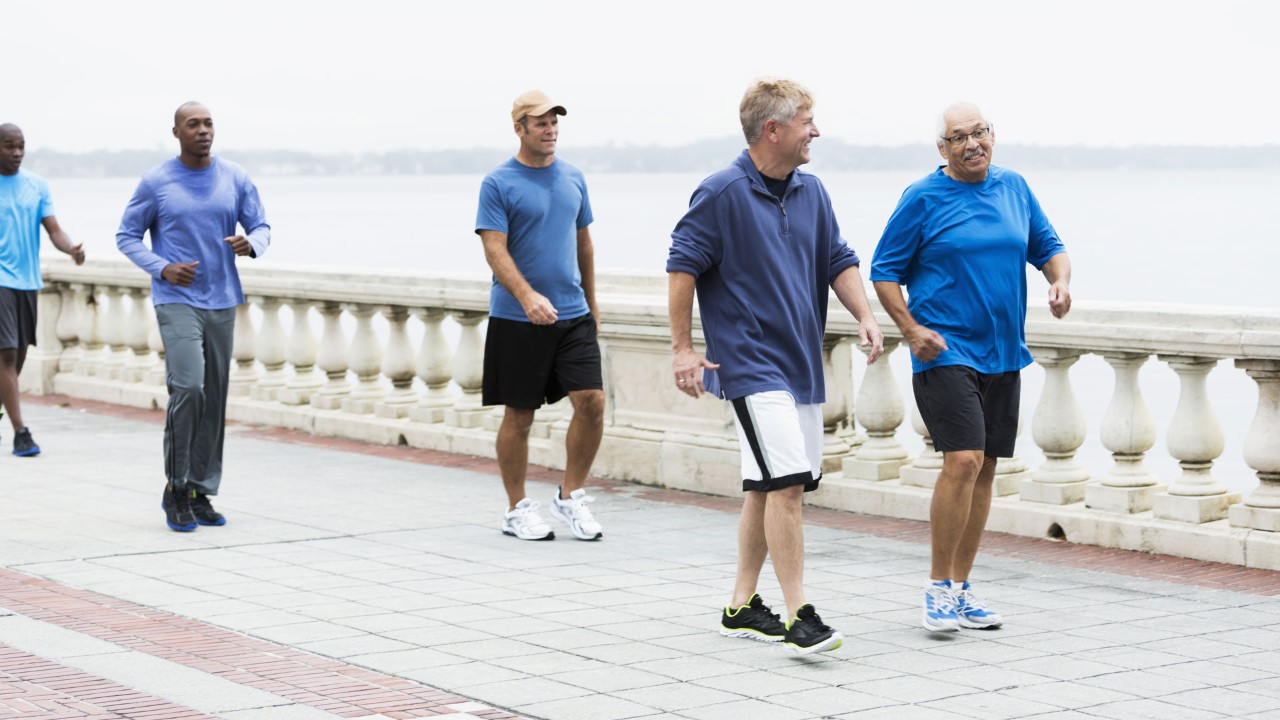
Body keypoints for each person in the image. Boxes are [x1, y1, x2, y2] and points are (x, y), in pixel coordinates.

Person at [667, 78, 885, 655]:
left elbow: (838, 258)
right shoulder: (720, 193)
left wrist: (863, 313)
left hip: (801, 367)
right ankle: (799, 615)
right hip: (748, 364)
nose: (817, 131)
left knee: (769, 487)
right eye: (808, 121)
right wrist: (683, 350)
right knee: (788, 483)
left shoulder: (812, 191)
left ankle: (740, 605)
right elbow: (681, 267)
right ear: (774, 129)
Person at [871, 102, 1071, 632]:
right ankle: (937, 589)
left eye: (979, 132)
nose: (971, 144)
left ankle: (961, 589)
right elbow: (884, 271)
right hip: (944, 348)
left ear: (993, 135)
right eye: (958, 137)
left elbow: (1049, 247)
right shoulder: (922, 197)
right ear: (943, 148)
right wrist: (911, 331)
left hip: (1003, 349)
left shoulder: (1014, 187)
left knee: (985, 468)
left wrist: (1059, 281)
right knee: (962, 459)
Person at [116, 102, 271, 532]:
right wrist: (162, 267)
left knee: (215, 396)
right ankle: (176, 487)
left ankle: (201, 490)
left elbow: (262, 226)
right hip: (176, 298)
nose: (203, 130)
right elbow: (127, 235)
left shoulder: (235, 177)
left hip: (222, 299)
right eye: (193, 124)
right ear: (177, 132)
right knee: (188, 386)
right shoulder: (157, 181)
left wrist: (251, 244)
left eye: (208, 123)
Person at [476, 90, 606, 542]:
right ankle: (516, 509)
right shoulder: (499, 183)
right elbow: (494, 247)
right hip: (518, 316)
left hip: (573, 314)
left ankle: (570, 496)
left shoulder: (573, 177)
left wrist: (592, 303)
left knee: (592, 402)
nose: (550, 131)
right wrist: (527, 295)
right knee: (520, 416)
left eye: (554, 123)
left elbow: (583, 242)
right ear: (520, 129)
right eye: (541, 124)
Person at [0, 123, 86, 456]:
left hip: (28, 280)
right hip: (1, 282)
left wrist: (71, 250)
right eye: (9, 146)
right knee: (6, 353)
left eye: (21, 146)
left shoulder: (37, 185)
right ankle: (21, 432)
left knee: (18, 354)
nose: (17, 152)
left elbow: (54, 230)